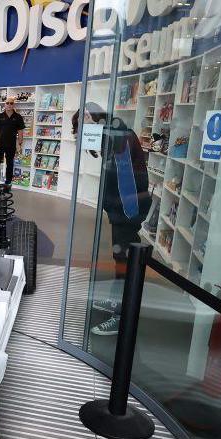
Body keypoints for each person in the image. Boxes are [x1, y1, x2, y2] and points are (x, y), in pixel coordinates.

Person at [72, 102, 152, 336]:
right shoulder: (115, 134)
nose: (83, 137)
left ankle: (122, 314)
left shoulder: (118, 136)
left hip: (127, 208)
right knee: (120, 256)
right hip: (123, 207)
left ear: (91, 120)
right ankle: (117, 302)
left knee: (125, 258)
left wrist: (122, 212)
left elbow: (126, 179)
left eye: (82, 129)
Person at [0, 96, 26, 188]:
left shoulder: (18, 117)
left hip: (11, 145)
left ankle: (8, 184)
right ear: (4, 104)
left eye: (11, 103)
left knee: (10, 164)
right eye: (7, 103)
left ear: (14, 105)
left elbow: (20, 132)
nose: (9, 105)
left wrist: (19, 143)